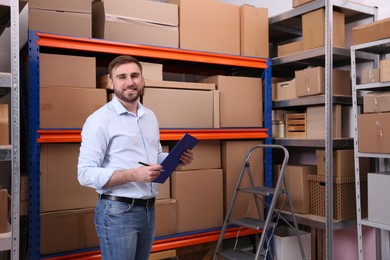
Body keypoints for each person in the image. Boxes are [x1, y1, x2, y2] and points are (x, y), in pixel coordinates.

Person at [77, 55, 194, 260]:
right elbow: (85, 174)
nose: (129, 82)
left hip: (148, 209)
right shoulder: (99, 120)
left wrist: (176, 158)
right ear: (111, 83)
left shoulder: (149, 116)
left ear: (142, 80)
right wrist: (135, 174)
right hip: (117, 212)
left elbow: (154, 155)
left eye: (134, 75)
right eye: (122, 77)